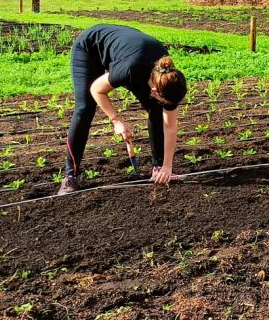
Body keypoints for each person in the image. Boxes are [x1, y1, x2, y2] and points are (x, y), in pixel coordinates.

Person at [59, 24, 188, 194]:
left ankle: (157, 168)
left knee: (156, 109)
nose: (169, 106)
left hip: (130, 51)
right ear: (154, 91)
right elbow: (96, 89)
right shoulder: (128, 70)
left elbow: (170, 126)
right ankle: (70, 176)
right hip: (90, 48)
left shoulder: (168, 78)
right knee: (85, 108)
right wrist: (116, 120)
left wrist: (167, 166)